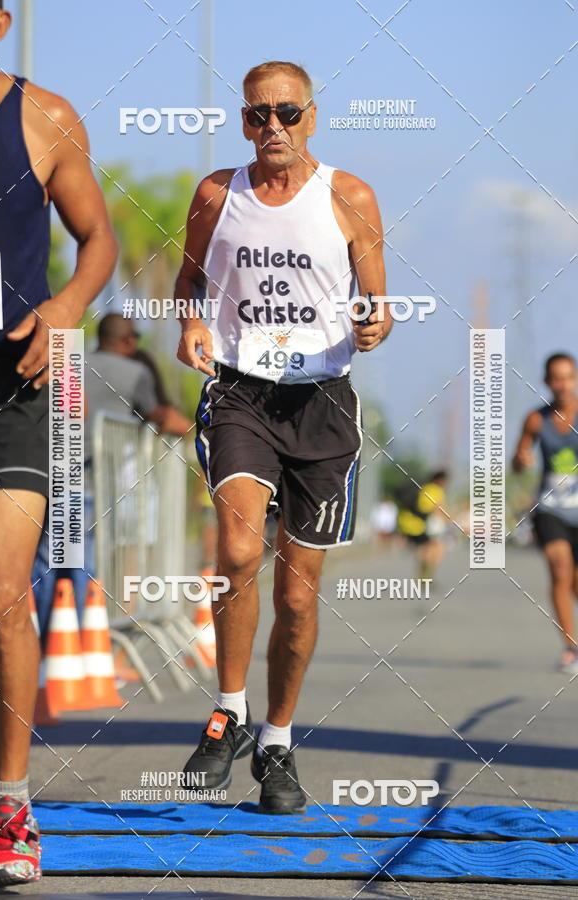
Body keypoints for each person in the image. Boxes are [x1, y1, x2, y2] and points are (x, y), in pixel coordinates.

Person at [175, 60, 391, 814]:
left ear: (311, 117)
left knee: (297, 597)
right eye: (258, 114)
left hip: (323, 405)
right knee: (238, 551)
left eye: (287, 113)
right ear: (243, 121)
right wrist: (192, 322)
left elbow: (377, 300)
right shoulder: (217, 194)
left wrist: (375, 323)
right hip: (241, 393)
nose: (273, 127)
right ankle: (229, 712)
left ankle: (276, 740)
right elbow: (189, 280)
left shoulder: (350, 195)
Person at [0, 2, 117, 885]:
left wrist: (66, 307)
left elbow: (97, 238)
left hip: (10, 383)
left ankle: (10, 807)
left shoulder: (44, 117)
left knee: (1, 588)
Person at [31, 313, 191, 641]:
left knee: (47, 562)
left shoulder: (71, 363)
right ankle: (77, 643)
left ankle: (41, 643)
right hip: (93, 481)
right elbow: (161, 415)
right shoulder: (136, 372)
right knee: (83, 564)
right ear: (128, 340)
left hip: (52, 475)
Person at [513, 353, 578, 673]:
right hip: (550, 508)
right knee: (560, 569)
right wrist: (521, 460)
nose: (563, 385)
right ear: (547, 382)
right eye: (556, 378)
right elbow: (517, 458)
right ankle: (571, 648)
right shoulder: (536, 419)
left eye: (568, 377)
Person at [397, 471, 449, 580]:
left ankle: (423, 575)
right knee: (437, 548)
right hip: (426, 525)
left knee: (425, 548)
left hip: (414, 524)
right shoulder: (436, 490)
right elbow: (437, 509)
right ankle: (426, 575)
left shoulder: (424, 488)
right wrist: (450, 520)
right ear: (440, 480)